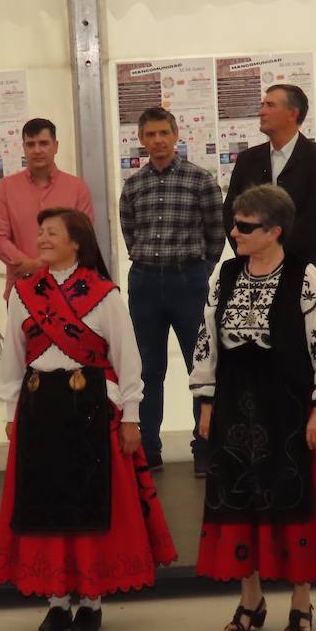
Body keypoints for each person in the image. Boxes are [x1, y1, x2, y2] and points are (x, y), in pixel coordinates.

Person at [190, 185, 316, 631]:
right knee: (238, 499)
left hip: (288, 406)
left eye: (245, 226)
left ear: (274, 230)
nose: (234, 233)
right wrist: (205, 400)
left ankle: (301, 601)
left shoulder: (306, 277)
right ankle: (250, 597)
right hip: (236, 406)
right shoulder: (224, 276)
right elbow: (206, 341)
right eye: (234, 224)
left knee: (294, 498)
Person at [0, 208, 176, 631]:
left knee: (89, 502)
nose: (41, 239)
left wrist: (132, 417)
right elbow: (14, 360)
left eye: (52, 232)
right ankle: (57, 600)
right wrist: (8, 413)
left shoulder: (104, 293)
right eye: (40, 232)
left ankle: (90, 601)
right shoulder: (24, 292)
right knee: (46, 503)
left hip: (91, 407)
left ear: (77, 242)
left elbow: (128, 359)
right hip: (40, 410)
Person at [118, 106, 224, 473]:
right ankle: (148, 451)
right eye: (150, 135)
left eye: (164, 133)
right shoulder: (133, 185)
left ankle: (204, 450)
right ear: (141, 140)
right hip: (145, 282)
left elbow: (216, 232)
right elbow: (129, 232)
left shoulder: (201, 180)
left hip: (188, 281)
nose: (157, 141)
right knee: (147, 370)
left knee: (201, 366)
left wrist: (200, 270)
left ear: (176, 135)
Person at [222, 84, 316, 284]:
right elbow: (230, 212)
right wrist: (253, 251)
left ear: (292, 113)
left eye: (270, 105)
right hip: (253, 270)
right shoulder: (248, 159)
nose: (262, 111)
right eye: (262, 105)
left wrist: (274, 254)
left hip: (305, 270)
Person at [0, 118, 94, 300]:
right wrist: (30, 264)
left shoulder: (77, 188)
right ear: (24, 148)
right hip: (22, 290)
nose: (37, 150)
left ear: (56, 146)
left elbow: (84, 238)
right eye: (30, 144)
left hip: (69, 290)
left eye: (44, 143)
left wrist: (51, 265)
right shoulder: (6, 188)